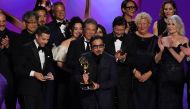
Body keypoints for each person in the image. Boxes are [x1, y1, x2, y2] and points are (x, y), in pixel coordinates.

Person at [15, 26, 54, 109]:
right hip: (28, 90)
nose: (46, 42)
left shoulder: (48, 50)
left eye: (47, 39)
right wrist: (34, 73)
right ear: (36, 36)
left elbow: (49, 66)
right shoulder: (25, 48)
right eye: (43, 39)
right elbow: (18, 69)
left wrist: (50, 73)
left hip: (42, 90)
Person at [75, 36, 117, 109]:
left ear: (104, 46)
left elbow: (114, 80)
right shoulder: (83, 57)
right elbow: (76, 75)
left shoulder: (111, 59)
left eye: (100, 46)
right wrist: (82, 79)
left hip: (105, 99)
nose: (98, 49)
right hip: (87, 98)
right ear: (90, 47)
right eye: (95, 46)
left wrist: (99, 86)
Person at [126, 12, 158, 109]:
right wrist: (134, 70)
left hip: (150, 80)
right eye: (139, 23)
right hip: (134, 78)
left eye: (144, 23)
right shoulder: (130, 37)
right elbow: (127, 57)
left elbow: (158, 61)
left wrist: (149, 73)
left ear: (149, 24)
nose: (142, 26)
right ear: (136, 24)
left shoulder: (155, 40)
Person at [157, 15, 188, 109]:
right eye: (169, 24)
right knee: (163, 102)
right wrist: (162, 50)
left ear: (178, 26)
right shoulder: (162, 38)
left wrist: (169, 47)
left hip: (177, 76)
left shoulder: (184, 39)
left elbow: (179, 59)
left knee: (176, 102)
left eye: (173, 24)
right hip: (163, 75)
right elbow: (156, 60)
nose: (170, 26)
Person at [66, 18, 97, 109]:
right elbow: (68, 62)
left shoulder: (100, 45)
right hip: (77, 84)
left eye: (93, 30)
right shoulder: (74, 44)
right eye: (88, 29)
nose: (90, 32)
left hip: (94, 85)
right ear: (83, 29)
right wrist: (82, 66)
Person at [52, 16, 83, 109]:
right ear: (70, 30)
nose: (79, 31)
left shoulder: (85, 42)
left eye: (81, 28)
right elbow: (59, 64)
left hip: (81, 79)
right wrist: (73, 72)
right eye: (76, 29)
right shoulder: (65, 43)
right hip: (66, 78)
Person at [104, 16, 131, 109]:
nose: (119, 32)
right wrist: (113, 58)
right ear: (113, 27)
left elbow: (134, 58)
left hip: (124, 78)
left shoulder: (130, 39)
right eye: (117, 29)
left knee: (123, 104)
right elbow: (101, 57)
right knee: (107, 103)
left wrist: (124, 59)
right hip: (108, 76)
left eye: (122, 30)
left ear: (125, 28)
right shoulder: (105, 39)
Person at [0, 12, 20, 109]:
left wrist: (8, 47)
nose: (2, 23)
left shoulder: (15, 36)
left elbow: (18, 57)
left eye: (3, 21)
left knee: (11, 105)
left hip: (10, 78)